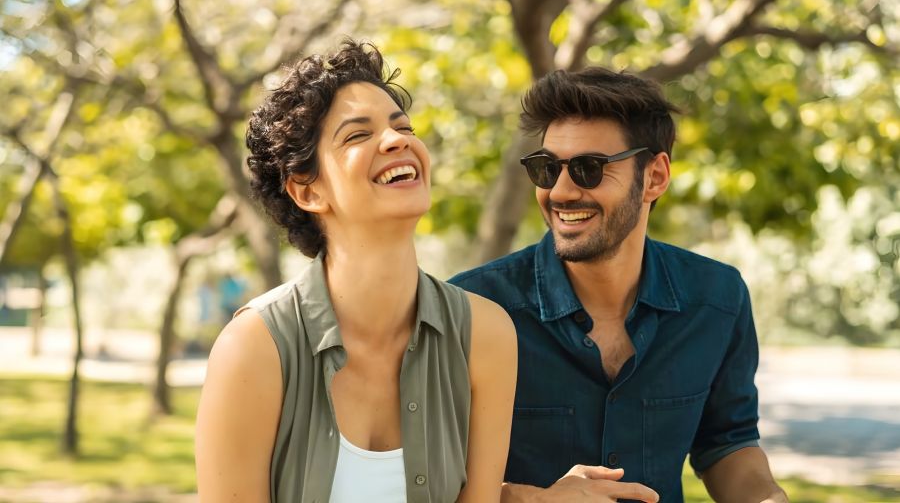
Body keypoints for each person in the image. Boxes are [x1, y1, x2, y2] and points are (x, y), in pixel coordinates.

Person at [195, 40, 517, 502]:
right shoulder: (253, 350)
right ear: (307, 192)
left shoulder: (485, 336)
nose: (398, 140)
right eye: (358, 135)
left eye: (402, 126)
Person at [450, 67, 787, 503]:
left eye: (590, 169)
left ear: (655, 177)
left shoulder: (718, 300)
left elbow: (727, 443)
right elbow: (422, 476)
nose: (561, 192)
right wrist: (532, 499)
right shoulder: (472, 309)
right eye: (547, 168)